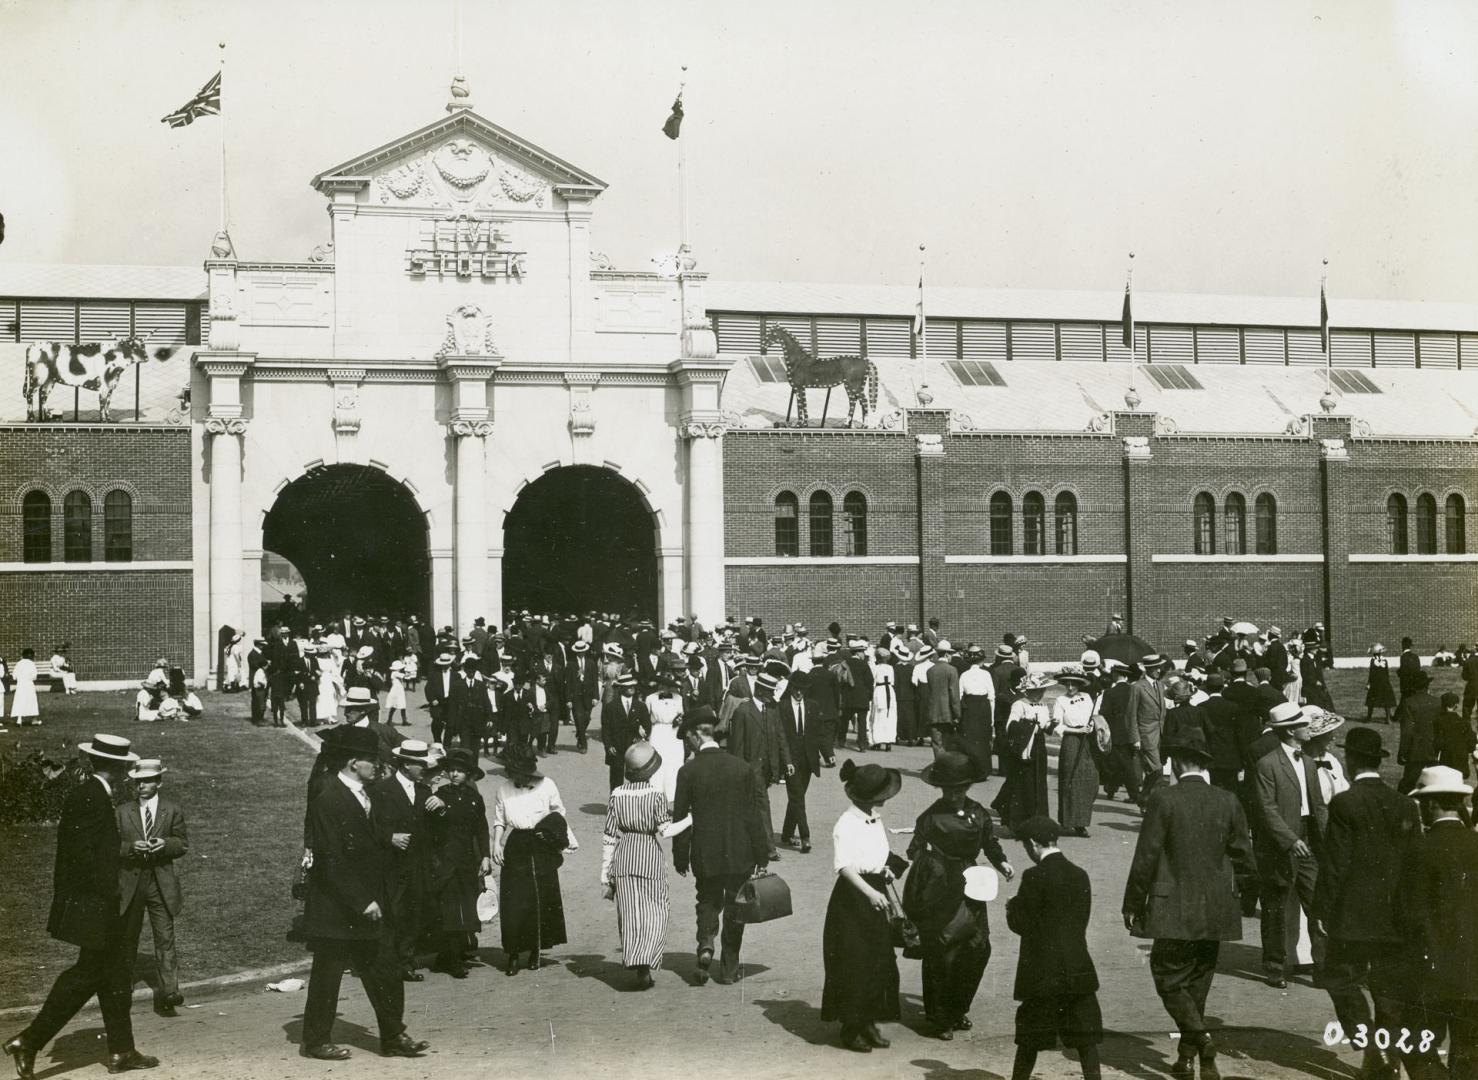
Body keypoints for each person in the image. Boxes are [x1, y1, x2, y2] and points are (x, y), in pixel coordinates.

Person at [5, 734, 160, 1077]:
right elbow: (85, 858)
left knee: (115, 972)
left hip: (95, 900)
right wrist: (112, 894)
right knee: (88, 973)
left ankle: (121, 1051)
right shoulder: (91, 797)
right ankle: (29, 1041)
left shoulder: (90, 794)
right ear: (120, 768)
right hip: (97, 903)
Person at [1123, 727, 1254, 1079]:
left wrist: (1133, 902)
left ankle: (1199, 1040)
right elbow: (1244, 855)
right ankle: (1188, 1058)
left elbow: (1146, 856)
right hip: (1215, 908)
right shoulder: (1228, 800)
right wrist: (1237, 895)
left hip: (1172, 907)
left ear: (1178, 763)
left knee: (1167, 976)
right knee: (1198, 981)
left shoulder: (1164, 799)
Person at [298, 725, 427, 1060]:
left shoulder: (365, 794)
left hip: (370, 902)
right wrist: (362, 900)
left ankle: (393, 1036)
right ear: (354, 762)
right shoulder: (329, 798)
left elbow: (369, 839)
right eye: (372, 760)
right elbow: (330, 859)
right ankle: (315, 1041)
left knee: (384, 969)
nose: (378, 766)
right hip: (337, 907)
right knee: (327, 976)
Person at [1311, 727, 1419, 1080]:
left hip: (1352, 912)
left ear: (1350, 759)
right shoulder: (1405, 804)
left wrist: (1322, 910)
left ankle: (1372, 1044)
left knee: (1340, 977)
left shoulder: (1344, 803)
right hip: (1395, 912)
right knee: (1388, 987)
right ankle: (1383, 1054)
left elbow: (1335, 862)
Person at [905, 752, 1014, 1039]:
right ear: (941, 788)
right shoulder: (929, 817)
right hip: (939, 886)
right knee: (941, 952)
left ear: (968, 787)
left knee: (978, 947)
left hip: (972, 885)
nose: (955, 795)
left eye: (960, 789)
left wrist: (1001, 863)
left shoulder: (979, 813)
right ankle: (940, 1018)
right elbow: (913, 850)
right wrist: (924, 862)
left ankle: (958, 1008)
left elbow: (989, 843)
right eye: (949, 789)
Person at [671, 713, 770, 985]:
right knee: (736, 907)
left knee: (706, 900)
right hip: (740, 852)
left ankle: (705, 945)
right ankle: (728, 968)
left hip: (705, 851)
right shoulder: (741, 768)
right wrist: (762, 854)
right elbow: (754, 815)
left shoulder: (688, 772)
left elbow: (680, 820)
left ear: (695, 735)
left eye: (687, 739)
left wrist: (680, 857)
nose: (687, 745)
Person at [1007, 815, 1103, 1080]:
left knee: (1029, 1036)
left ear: (1033, 844)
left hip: (1042, 970)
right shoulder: (1080, 875)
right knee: (1085, 1036)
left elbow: (1022, 924)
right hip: (1076, 966)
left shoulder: (1034, 876)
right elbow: (1081, 920)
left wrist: (1011, 907)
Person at [1398, 765, 1478, 1079]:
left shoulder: (1419, 849)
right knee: (1469, 1052)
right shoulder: (1475, 845)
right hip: (1474, 972)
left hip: (1430, 969)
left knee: (1417, 1045)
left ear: (1430, 804)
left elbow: (1408, 912)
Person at [822, 760, 905, 1053]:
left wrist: (885, 870)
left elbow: (875, 854)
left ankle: (869, 1020)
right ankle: (851, 1027)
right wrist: (870, 892)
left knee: (879, 960)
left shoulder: (874, 817)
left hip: (875, 889)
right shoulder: (846, 823)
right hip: (853, 899)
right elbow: (844, 867)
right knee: (854, 963)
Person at [1253, 701, 1327, 988]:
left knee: (1318, 903)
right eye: (1304, 724)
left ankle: (1322, 966)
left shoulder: (1308, 762)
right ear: (1290, 731)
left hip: (1310, 839)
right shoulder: (1267, 764)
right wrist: (1289, 839)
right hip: (1280, 844)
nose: (1309, 728)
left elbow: (1318, 805)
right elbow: (1266, 809)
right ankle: (1274, 965)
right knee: (1276, 906)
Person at [490, 745, 574, 975]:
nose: (516, 776)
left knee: (540, 897)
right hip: (516, 844)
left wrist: (549, 833)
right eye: (513, 772)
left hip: (540, 843)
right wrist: (497, 843)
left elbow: (559, 812)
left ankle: (536, 950)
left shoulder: (547, 785)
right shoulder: (504, 790)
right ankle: (514, 954)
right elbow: (499, 820)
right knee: (514, 900)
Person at [116, 758, 189, 1018]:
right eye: (137, 781)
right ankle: (121, 989)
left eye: (147, 781)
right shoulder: (123, 811)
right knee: (127, 937)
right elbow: (111, 846)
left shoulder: (172, 810)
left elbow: (182, 843)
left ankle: (169, 991)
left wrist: (164, 844)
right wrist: (130, 848)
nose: (141, 786)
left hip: (161, 882)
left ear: (159, 782)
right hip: (132, 882)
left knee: (165, 937)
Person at [600, 742, 672, 990]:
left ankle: (638, 964)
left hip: (624, 857)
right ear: (650, 771)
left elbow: (609, 836)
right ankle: (647, 961)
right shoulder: (656, 796)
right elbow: (666, 831)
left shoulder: (617, 794)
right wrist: (690, 819)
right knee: (657, 910)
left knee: (631, 914)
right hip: (649, 856)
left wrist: (604, 875)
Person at [370, 740, 437, 981]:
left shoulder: (424, 792)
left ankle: (405, 962)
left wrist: (441, 806)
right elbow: (369, 827)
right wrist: (389, 838)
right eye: (421, 765)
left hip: (417, 865)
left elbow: (432, 829)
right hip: (391, 865)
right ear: (407, 765)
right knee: (391, 914)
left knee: (412, 914)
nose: (425, 769)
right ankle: (385, 964)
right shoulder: (381, 790)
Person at [425, 748, 490, 978]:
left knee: (466, 905)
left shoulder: (475, 798)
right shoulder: (440, 794)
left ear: (468, 775)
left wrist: (485, 856)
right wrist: (441, 810)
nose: (454, 774)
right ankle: (451, 959)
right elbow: (433, 828)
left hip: (466, 860)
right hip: (445, 860)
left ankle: (451, 954)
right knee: (450, 908)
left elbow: (481, 828)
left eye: (460, 771)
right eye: (451, 770)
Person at [994, 672, 1054, 830]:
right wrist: (1029, 725)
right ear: (1027, 691)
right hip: (1024, 747)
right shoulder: (1019, 704)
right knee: (1024, 783)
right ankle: (1018, 822)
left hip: (1039, 747)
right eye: (1036, 691)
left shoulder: (1043, 706)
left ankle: (1037, 819)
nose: (1039, 694)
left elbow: (1045, 725)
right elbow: (1010, 726)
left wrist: (1050, 725)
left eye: (1042, 691)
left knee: (1038, 782)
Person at [778, 673, 824, 854]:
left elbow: (818, 732)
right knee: (797, 796)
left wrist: (828, 753)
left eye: (802, 690)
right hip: (790, 759)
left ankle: (787, 833)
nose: (799, 693)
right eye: (796, 689)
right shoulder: (782, 707)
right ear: (791, 688)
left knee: (797, 796)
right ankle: (805, 836)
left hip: (808, 759)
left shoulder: (812, 706)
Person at [1052, 670, 1099, 837]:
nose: (1070, 687)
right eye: (1068, 684)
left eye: (1074, 684)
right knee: (1070, 778)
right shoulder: (1060, 700)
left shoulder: (1086, 697)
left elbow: (1093, 717)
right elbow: (1058, 726)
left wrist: (1091, 727)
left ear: (1079, 685)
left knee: (1088, 779)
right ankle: (1069, 821)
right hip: (1071, 741)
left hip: (1087, 740)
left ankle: (1082, 820)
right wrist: (1075, 730)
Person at [1396, 670, 1442, 794]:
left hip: (1415, 750)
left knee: (1408, 784)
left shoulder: (1409, 702)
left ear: (1414, 687)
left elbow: (1406, 730)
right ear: (1427, 685)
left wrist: (1403, 752)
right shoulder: (1437, 702)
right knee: (1435, 784)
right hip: (1434, 749)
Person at [602, 673, 649, 789]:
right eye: (628, 686)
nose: (632, 688)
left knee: (636, 778)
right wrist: (609, 745)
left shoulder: (640, 706)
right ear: (621, 688)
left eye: (633, 685)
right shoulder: (611, 707)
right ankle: (615, 803)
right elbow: (606, 728)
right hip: (616, 748)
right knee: (616, 778)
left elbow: (647, 725)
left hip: (635, 747)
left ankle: (634, 803)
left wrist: (640, 738)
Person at [644, 674, 686, 801]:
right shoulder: (651, 698)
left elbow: (682, 714)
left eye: (667, 686)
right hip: (657, 731)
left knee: (674, 761)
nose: (663, 688)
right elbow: (646, 716)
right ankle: (655, 792)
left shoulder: (678, 698)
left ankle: (672, 793)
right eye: (662, 685)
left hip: (673, 733)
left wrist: (679, 721)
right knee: (657, 761)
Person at [957, 646, 996, 779]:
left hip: (969, 708)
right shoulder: (986, 674)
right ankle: (983, 771)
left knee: (970, 739)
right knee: (983, 739)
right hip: (983, 708)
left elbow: (959, 695)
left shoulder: (963, 675)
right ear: (981, 661)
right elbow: (992, 696)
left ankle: (971, 770)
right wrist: (992, 718)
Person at [926, 640, 963, 759]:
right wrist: (958, 714)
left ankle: (938, 765)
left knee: (936, 743)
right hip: (948, 713)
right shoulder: (952, 670)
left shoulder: (930, 671)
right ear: (947, 654)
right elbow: (954, 695)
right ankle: (946, 768)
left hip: (933, 711)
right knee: (947, 743)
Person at [565, 639, 599, 753]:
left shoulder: (591, 663)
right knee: (578, 719)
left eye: (583, 651)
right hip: (576, 696)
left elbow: (595, 681)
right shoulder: (570, 664)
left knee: (586, 718)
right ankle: (583, 744)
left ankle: (580, 734)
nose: (581, 653)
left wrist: (596, 697)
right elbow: (568, 683)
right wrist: (568, 699)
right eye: (579, 652)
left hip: (588, 696)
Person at [1434, 691, 1476, 777]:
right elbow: (1471, 745)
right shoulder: (1464, 723)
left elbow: (1437, 743)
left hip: (1445, 762)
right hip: (1461, 764)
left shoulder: (1437, 721)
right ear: (1456, 706)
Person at [868, 645, 898, 752]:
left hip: (879, 691)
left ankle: (878, 741)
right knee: (889, 715)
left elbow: (873, 682)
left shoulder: (875, 668)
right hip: (889, 691)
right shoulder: (890, 668)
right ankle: (889, 741)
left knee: (878, 716)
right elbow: (892, 681)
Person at [1365, 644, 1396, 724]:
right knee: (1386, 700)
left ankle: (1369, 718)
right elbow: (1386, 672)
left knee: (1371, 701)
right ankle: (1388, 718)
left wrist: (1369, 683)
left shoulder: (1373, 661)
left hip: (1375, 683)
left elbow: (1371, 673)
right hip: (1384, 682)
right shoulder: (1384, 660)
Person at [9, 648, 40, 726]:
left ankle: (19, 720)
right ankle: (34, 720)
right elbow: (34, 677)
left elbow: (14, 676)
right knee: (31, 701)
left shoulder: (19, 663)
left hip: (20, 685)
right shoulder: (32, 664)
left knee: (20, 701)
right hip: (29, 685)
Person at [1397, 636, 1422, 702]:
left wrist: (1398, 672)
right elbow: (1418, 669)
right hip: (1415, 683)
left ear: (1402, 646)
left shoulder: (1403, 657)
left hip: (1406, 685)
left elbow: (1404, 671)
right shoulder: (1415, 656)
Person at [384, 660, 408, 726]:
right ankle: (390, 720)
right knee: (396, 705)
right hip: (397, 691)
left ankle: (403, 720)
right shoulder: (395, 673)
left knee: (401, 705)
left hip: (398, 690)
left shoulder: (395, 673)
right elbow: (405, 676)